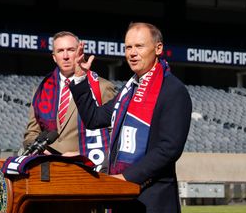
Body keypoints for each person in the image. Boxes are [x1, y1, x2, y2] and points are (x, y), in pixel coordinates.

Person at [70, 22, 192, 213]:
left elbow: (169, 148)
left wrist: (127, 177)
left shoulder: (174, 90)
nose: (132, 53)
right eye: (128, 47)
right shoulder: (127, 92)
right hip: (123, 196)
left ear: (158, 48)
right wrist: (79, 78)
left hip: (153, 201)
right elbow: (94, 118)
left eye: (139, 46)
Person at [23, 31, 116, 168]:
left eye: (70, 50)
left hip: (86, 167)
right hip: (48, 167)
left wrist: (84, 154)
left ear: (79, 53)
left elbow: (114, 134)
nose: (65, 56)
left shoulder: (102, 87)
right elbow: (31, 133)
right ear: (54, 57)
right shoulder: (41, 90)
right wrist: (43, 151)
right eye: (60, 51)